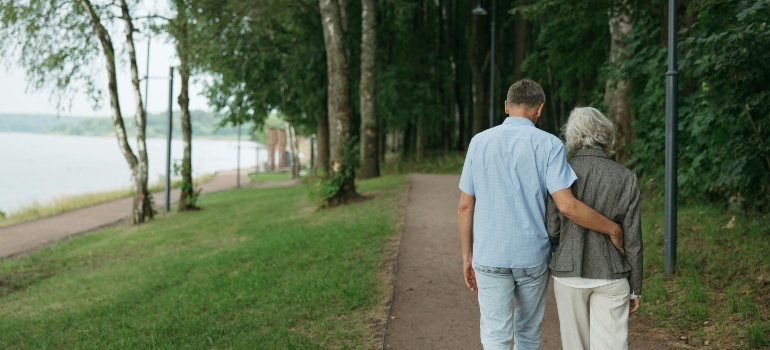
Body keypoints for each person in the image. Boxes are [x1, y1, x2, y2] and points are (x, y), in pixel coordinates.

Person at [458, 79, 625, 350]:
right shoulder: (550, 145)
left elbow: (465, 206)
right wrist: (613, 229)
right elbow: (567, 206)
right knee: (527, 334)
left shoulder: (479, 142)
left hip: (489, 255)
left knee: (495, 335)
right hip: (531, 257)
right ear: (539, 109)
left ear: (506, 106)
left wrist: (468, 256)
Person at [547, 107, 643, 350]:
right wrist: (635, 289)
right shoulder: (626, 177)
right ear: (606, 136)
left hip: (569, 273)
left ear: (573, 136)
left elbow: (553, 229)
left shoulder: (560, 171)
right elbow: (632, 239)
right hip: (612, 274)